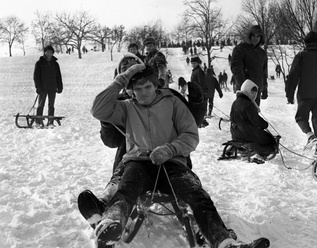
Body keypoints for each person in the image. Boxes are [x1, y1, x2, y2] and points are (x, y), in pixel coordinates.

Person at [90, 63, 270, 248]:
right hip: (138, 163)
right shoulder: (127, 107)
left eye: (148, 87)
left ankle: (225, 242)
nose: (143, 92)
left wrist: (170, 149)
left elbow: (190, 134)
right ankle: (111, 225)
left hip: (171, 163)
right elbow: (98, 110)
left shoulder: (172, 102)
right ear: (131, 91)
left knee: (197, 195)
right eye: (138, 89)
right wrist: (122, 79)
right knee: (126, 189)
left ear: (156, 86)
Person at [230, 79, 278, 163]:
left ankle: (247, 149)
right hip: (247, 133)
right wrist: (264, 124)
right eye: (252, 92)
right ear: (246, 90)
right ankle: (260, 152)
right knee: (270, 140)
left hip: (235, 132)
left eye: (255, 93)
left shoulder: (235, 102)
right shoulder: (248, 104)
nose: (254, 95)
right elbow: (256, 121)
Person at [230, 25, 268, 105]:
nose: (255, 38)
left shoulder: (262, 53)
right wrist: (244, 87)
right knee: (244, 114)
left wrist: (264, 87)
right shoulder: (240, 49)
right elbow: (236, 69)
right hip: (244, 91)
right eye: (253, 35)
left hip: (256, 90)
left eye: (258, 36)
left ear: (261, 38)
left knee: (254, 115)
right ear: (249, 36)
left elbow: (263, 72)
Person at [33, 45, 63, 127]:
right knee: (40, 105)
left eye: (51, 52)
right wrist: (38, 87)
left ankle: (50, 122)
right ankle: (38, 122)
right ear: (45, 52)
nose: (49, 53)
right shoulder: (39, 63)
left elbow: (58, 76)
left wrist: (60, 87)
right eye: (47, 52)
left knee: (51, 105)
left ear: (53, 53)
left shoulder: (55, 64)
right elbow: (36, 77)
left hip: (52, 87)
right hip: (43, 88)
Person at [190, 56, 208, 128]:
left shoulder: (198, 71)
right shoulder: (195, 70)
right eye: (192, 63)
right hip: (195, 92)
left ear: (198, 63)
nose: (193, 64)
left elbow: (202, 83)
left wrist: (201, 93)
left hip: (198, 93)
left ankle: (200, 122)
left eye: (194, 63)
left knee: (199, 108)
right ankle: (199, 122)